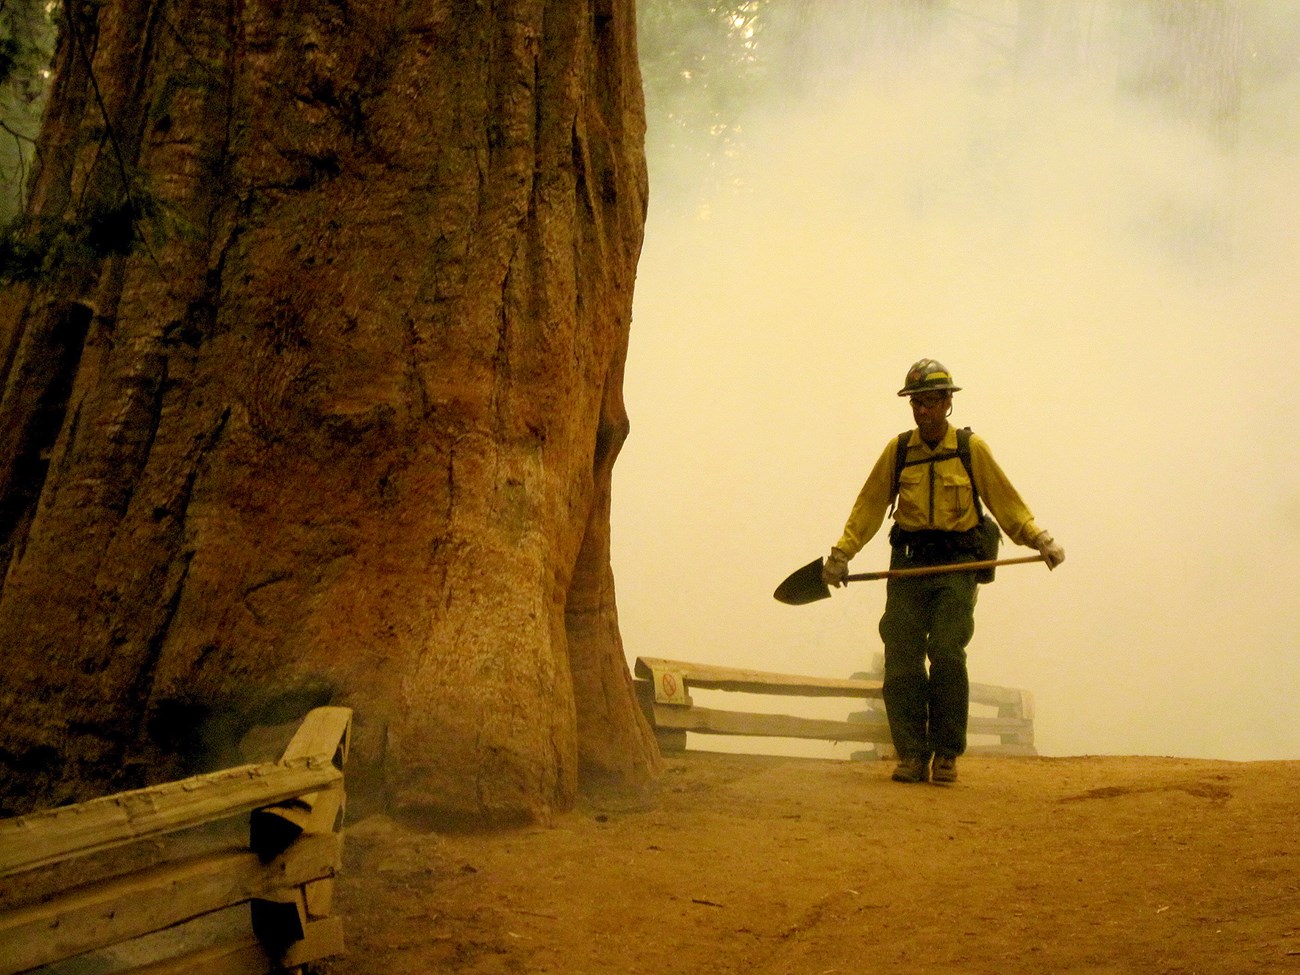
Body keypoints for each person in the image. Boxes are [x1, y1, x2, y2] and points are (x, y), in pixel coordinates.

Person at [822, 358, 1065, 785]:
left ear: (948, 402)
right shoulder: (898, 452)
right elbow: (869, 507)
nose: (923, 410)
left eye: (931, 401)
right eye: (916, 402)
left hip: (958, 564)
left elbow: (1005, 502)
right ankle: (912, 753)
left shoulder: (970, 450)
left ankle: (947, 753)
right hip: (910, 564)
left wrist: (1039, 539)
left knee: (948, 652)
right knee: (901, 657)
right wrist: (842, 554)